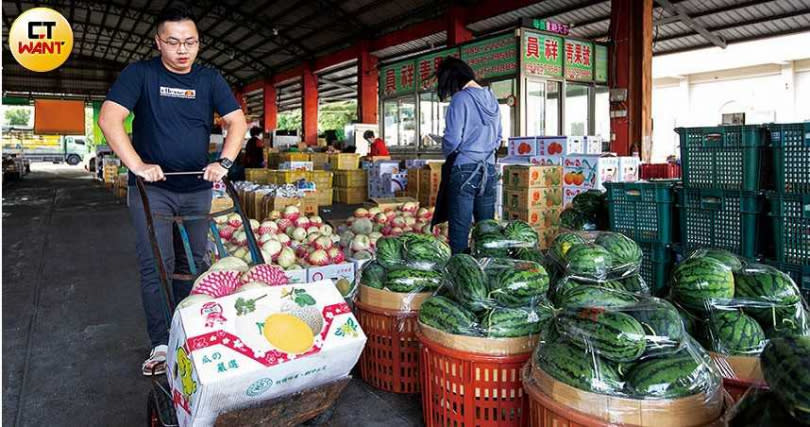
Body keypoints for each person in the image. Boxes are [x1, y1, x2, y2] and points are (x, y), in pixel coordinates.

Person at [98, 3, 247, 376]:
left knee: (193, 264)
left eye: (191, 43)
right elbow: (109, 117)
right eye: (174, 42)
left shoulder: (210, 80)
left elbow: (236, 122)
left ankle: (190, 330)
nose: (183, 51)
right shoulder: (140, 75)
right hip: (153, 190)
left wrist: (223, 163)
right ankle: (163, 343)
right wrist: (137, 165)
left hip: (197, 187)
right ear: (158, 42)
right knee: (157, 265)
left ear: (199, 43)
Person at [431, 57, 501, 254]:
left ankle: (461, 270)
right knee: (487, 228)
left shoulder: (461, 99)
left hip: (465, 169)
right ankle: (488, 265)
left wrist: (448, 149)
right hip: (488, 168)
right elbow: (498, 138)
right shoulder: (492, 98)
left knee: (460, 227)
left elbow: (452, 139)